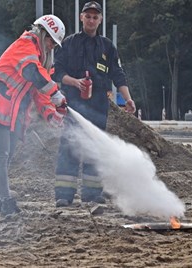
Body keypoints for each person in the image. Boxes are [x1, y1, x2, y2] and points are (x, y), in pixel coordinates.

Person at [0, 15, 67, 215]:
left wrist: (50, 113)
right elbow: (32, 73)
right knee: (1, 156)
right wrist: (55, 92)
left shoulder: (39, 55)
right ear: (42, 33)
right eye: (51, 41)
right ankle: (6, 202)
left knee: (7, 156)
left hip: (13, 111)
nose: (51, 47)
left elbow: (38, 91)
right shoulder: (25, 45)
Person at [52, 1, 136, 207]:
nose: (91, 20)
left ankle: (92, 193)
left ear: (100, 20)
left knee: (95, 148)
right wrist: (75, 82)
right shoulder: (68, 44)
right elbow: (57, 72)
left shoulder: (107, 46)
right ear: (81, 18)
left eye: (95, 17)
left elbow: (118, 74)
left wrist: (128, 99)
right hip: (72, 103)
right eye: (87, 16)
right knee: (70, 146)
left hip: (98, 105)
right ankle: (64, 194)